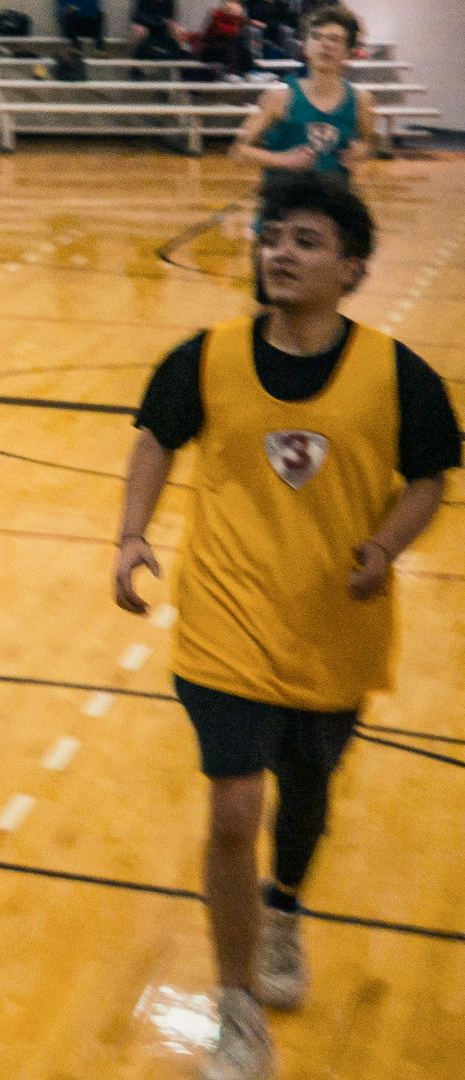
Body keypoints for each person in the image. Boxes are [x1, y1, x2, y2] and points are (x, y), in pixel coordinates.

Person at [113, 173, 457, 1080]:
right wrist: (130, 535)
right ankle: (236, 1011)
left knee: (305, 796)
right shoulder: (205, 355)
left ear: (351, 267)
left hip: (334, 625)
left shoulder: (399, 375)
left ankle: (286, 907)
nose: (282, 253)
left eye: (306, 241)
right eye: (274, 238)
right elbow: (154, 436)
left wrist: (387, 544)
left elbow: (430, 476)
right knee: (234, 806)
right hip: (224, 615)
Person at [232, 5, 374, 184]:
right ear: (305, 47)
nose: (325, 45)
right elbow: (239, 151)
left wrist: (360, 150)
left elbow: (368, 142)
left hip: (333, 204)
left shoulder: (361, 100)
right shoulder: (279, 97)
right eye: (316, 36)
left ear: (349, 52)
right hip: (284, 205)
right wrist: (284, 160)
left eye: (334, 39)